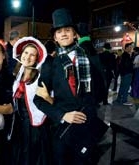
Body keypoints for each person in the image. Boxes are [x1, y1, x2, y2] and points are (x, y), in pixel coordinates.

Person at [33, 8, 107, 165]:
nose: (64, 34)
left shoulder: (90, 58)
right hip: (63, 129)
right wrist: (62, 115)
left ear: (75, 34)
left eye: (68, 30)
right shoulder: (50, 64)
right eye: (59, 32)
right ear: (55, 37)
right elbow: (38, 100)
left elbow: (101, 90)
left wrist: (90, 107)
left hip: (87, 126)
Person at [11, 36, 51, 165]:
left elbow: (53, 102)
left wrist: (47, 97)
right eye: (26, 53)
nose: (28, 57)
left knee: (33, 157)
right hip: (19, 125)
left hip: (35, 127)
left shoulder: (41, 77)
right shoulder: (16, 74)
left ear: (37, 59)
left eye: (32, 55)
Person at [76, 22, 107, 107]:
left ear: (77, 35)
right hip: (97, 87)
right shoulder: (91, 47)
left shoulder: (80, 48)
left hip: (87, 91)